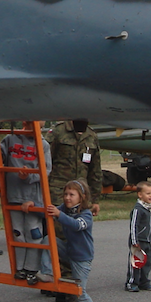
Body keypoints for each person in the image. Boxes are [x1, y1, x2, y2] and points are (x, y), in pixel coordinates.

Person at [0, 127, 51, 282]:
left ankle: (31, 269)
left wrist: (28, 177)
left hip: (33, 198)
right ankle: (19, 268)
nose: (29, 126)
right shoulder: (10, 139)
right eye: (26, 122)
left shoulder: (43, 144)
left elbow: (46, 170)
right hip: (14, 195)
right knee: (18, 233)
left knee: (34, 233)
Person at [46, 119, 102, 279]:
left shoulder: (91, 135)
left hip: (81, 194)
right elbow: (45, 162)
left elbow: (95, 169)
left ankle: (69, 279)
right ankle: (60, 277)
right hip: (59, 191)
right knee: (59, 234)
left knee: (77, 235)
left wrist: (95, 198)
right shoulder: (58, 132)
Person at [46, 179, 103, 302]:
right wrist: (30, 208)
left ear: (82, 197)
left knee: (79, 291)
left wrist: (59, 215)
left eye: (71, 195)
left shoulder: (86, 214)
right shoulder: (65, 208)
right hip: (69, 250)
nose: (67, 198)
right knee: (48, 241)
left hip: (82, 257)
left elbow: (77, 225)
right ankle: (45, 272)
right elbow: (50, 211)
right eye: (65, 194)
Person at [125, 181, 151, 292]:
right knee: (136, 263)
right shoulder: (138, 209)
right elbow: (134, 226)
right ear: (140, 195)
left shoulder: (149, 209)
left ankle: (144, 282)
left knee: (147, 262)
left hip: (147, 241)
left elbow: (150, 226)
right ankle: (131, 283)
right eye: (148, 193)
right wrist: (134, 241)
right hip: (138, 241)